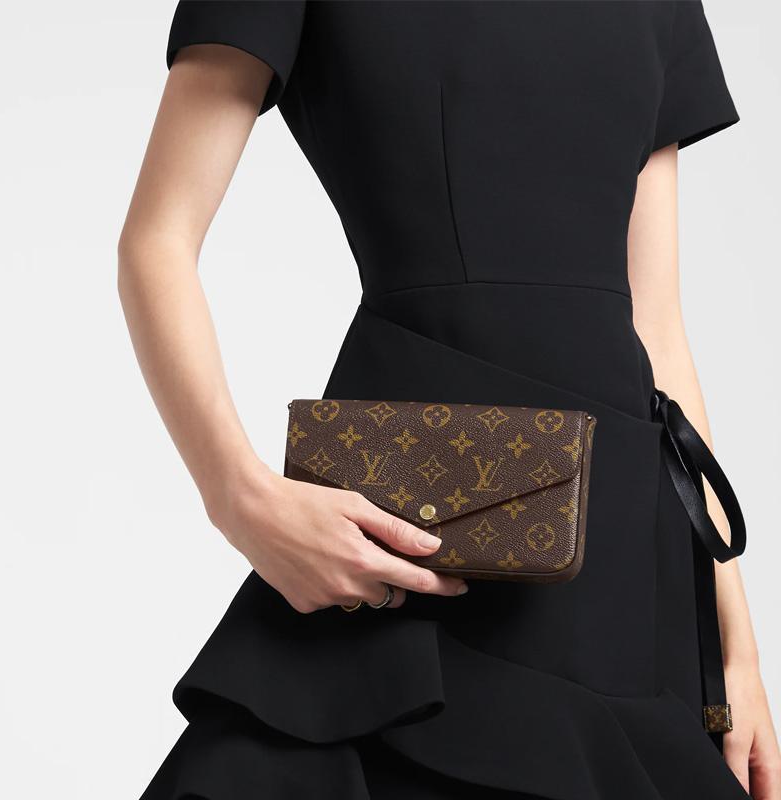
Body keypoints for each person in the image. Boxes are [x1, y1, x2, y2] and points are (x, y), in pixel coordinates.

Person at [118, 2, 780, 798]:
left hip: (628, 573)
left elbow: (658, 329)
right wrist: (238, 498)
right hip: (419, 541)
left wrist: (736, 650)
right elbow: (156, 241)